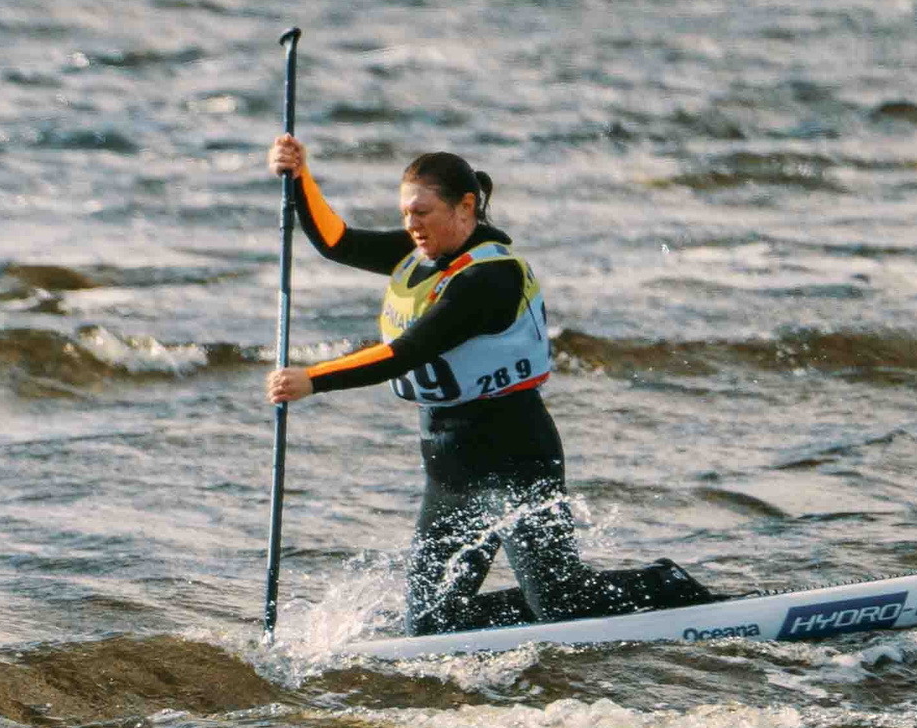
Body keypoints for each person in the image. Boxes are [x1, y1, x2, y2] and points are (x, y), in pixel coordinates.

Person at [263, 134, 714, 635]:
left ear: (465, 207)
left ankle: (665, 585)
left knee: (562, 602)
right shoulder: (416, 253)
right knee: (432, 625)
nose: (411, 225)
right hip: (449, 468)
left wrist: (312, 379)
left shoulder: (491, 278)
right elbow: (337, 242)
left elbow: (406, 353)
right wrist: (299, 176)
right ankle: (529, 627)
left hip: (514, 455)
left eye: (422, 212)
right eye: (405, 213)